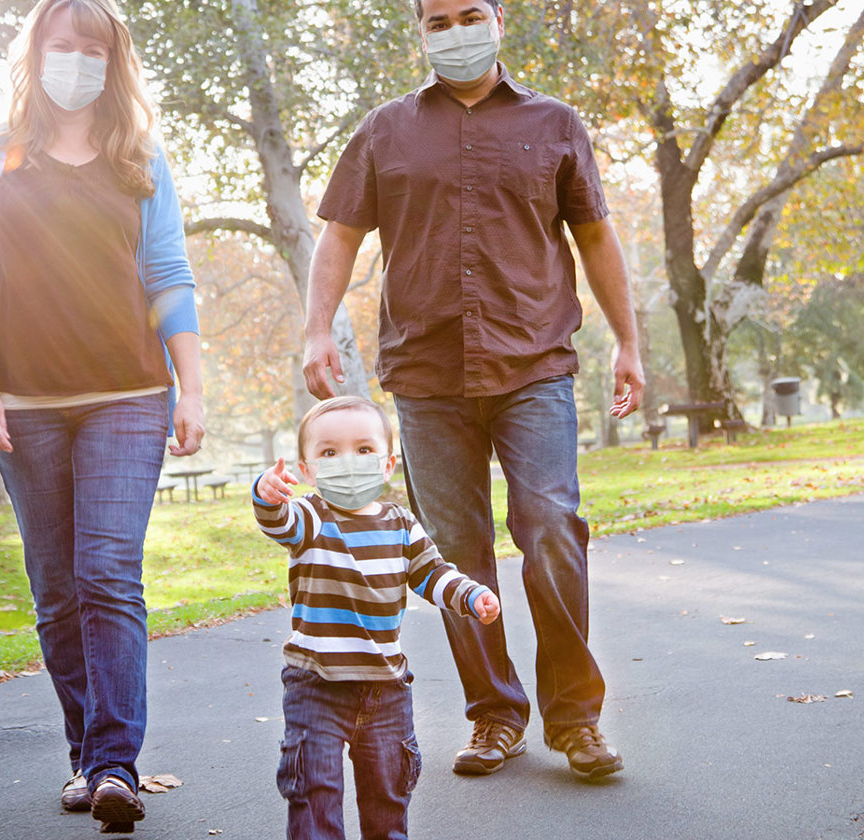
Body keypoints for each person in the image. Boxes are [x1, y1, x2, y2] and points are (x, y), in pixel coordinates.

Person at [302, 0, 644, 781]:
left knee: (551, 527)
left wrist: (628, 341)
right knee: (456, 554)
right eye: (438, 21)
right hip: (425, 375)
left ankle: (577, 720)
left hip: (534, 365)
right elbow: (341, 234)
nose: (455, 33)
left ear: (497, 21)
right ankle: (494, 716)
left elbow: (595, 233)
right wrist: (318, 327)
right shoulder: (384, 130)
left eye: (469, 15)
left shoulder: (556, 123)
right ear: (420, 32)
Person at [0, 0, 203, 830]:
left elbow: (168, 274)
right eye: (63, 46)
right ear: (37, 53)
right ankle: (84, 755)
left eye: (94, 50)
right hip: (24, 402)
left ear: (113, 63)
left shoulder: (139, 159)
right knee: (57, 589)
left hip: (129, 393)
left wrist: (190, 386)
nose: (77, 62)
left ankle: (115, 762)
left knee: (106, 573)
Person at [253, 396, 501, 839]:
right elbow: (278, 521)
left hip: (385, 689)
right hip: (317, 687)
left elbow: (432, 574)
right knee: (314, 790)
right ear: (308, 470)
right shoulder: (311, 517)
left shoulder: (401, 524)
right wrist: (267, 494)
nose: (347, 461)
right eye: (329, 452)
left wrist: (470, 594)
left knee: (388, 795)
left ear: (387, 464)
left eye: (363, 449)